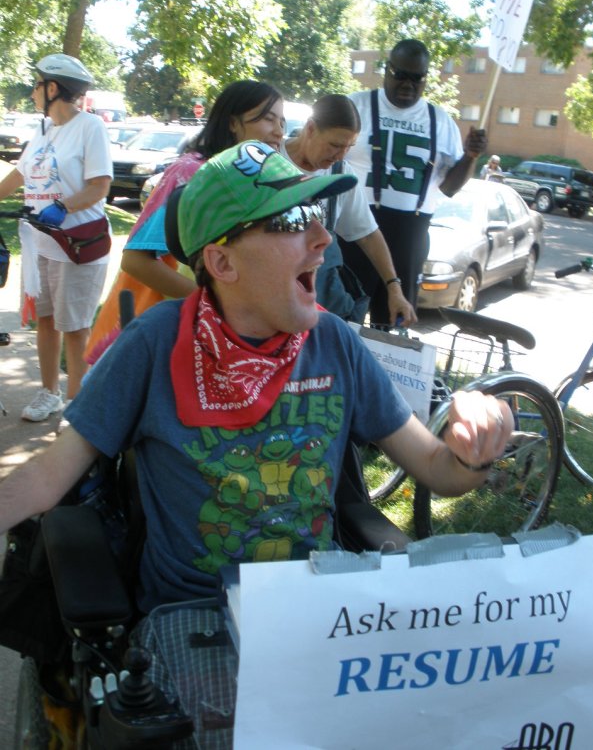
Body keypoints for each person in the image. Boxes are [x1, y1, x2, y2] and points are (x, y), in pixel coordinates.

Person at [0, 140, 513, 614]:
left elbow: (438, 469)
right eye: (292, 220)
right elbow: (48, 475)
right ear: (222, 261)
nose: (323, 238)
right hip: (197, 622)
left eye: (317, 214)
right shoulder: (155, 345)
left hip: (318, 608)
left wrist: (474, 453)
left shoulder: (336, 345)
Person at [84, 79, 285, 363]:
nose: (279, 132)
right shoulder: (192, 173)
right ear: (232, 123)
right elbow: (135, 260)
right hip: (157, 341)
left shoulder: (253, 181)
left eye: (282, 122)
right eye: (268, 119)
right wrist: (217, 306)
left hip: (211, 342)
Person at [341, 38, 488, 321]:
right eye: (401, 75)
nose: (408, 84)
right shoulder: (356, 106)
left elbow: (449, 188)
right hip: (354, 225)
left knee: (392, 322)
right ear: (386, 70)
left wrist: (471, 157)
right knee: (345, 315)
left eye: (417, 78)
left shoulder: (440, 121)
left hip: (410, 230)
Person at [0, 54, 112, 421]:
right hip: (41, 244)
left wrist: (63, 206)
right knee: (45, 320)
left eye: (36, 85)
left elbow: (99, 186)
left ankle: (77, 407)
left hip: (77, 245)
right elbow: (19, 175)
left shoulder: (89, 127)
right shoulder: (43, 130)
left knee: (75, 327)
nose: (32, 92)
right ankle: (50, 393)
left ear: (52, 89)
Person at [282, 94, 416, 327]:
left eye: (349, 147)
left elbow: (368, 234)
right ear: (311, 128)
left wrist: (394, 288)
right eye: (335, 145)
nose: (340, 155)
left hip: (309, 308)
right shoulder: (266, 158)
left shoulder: (341, 175)